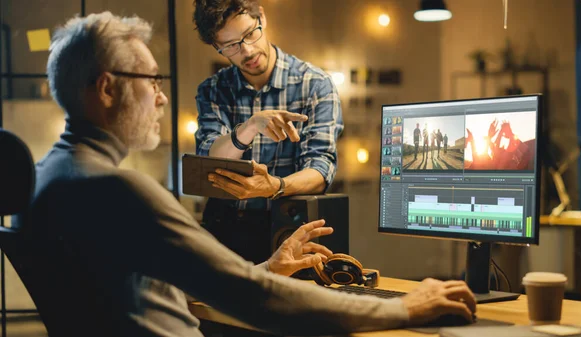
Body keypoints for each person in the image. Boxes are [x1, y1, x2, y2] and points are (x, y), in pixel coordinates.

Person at [14, 12, 477, 337]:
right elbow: (256, 299)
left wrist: (267, 268)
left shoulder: (48, 178)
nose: (160, 99)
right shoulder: (117, 190)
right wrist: (403, 307)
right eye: (151, 82)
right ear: (108, 88)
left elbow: (152, 287)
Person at [194, 0, 343, 264]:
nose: (247, 51)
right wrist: (250, 127)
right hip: (223, 229)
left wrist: (274, 186)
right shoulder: (213, 89)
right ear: (217, 48)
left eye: (250, 34)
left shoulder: (315, 85)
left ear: (261, 16)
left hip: (288, 227)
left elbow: (321, 169)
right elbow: (210, 158)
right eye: (230, 46)